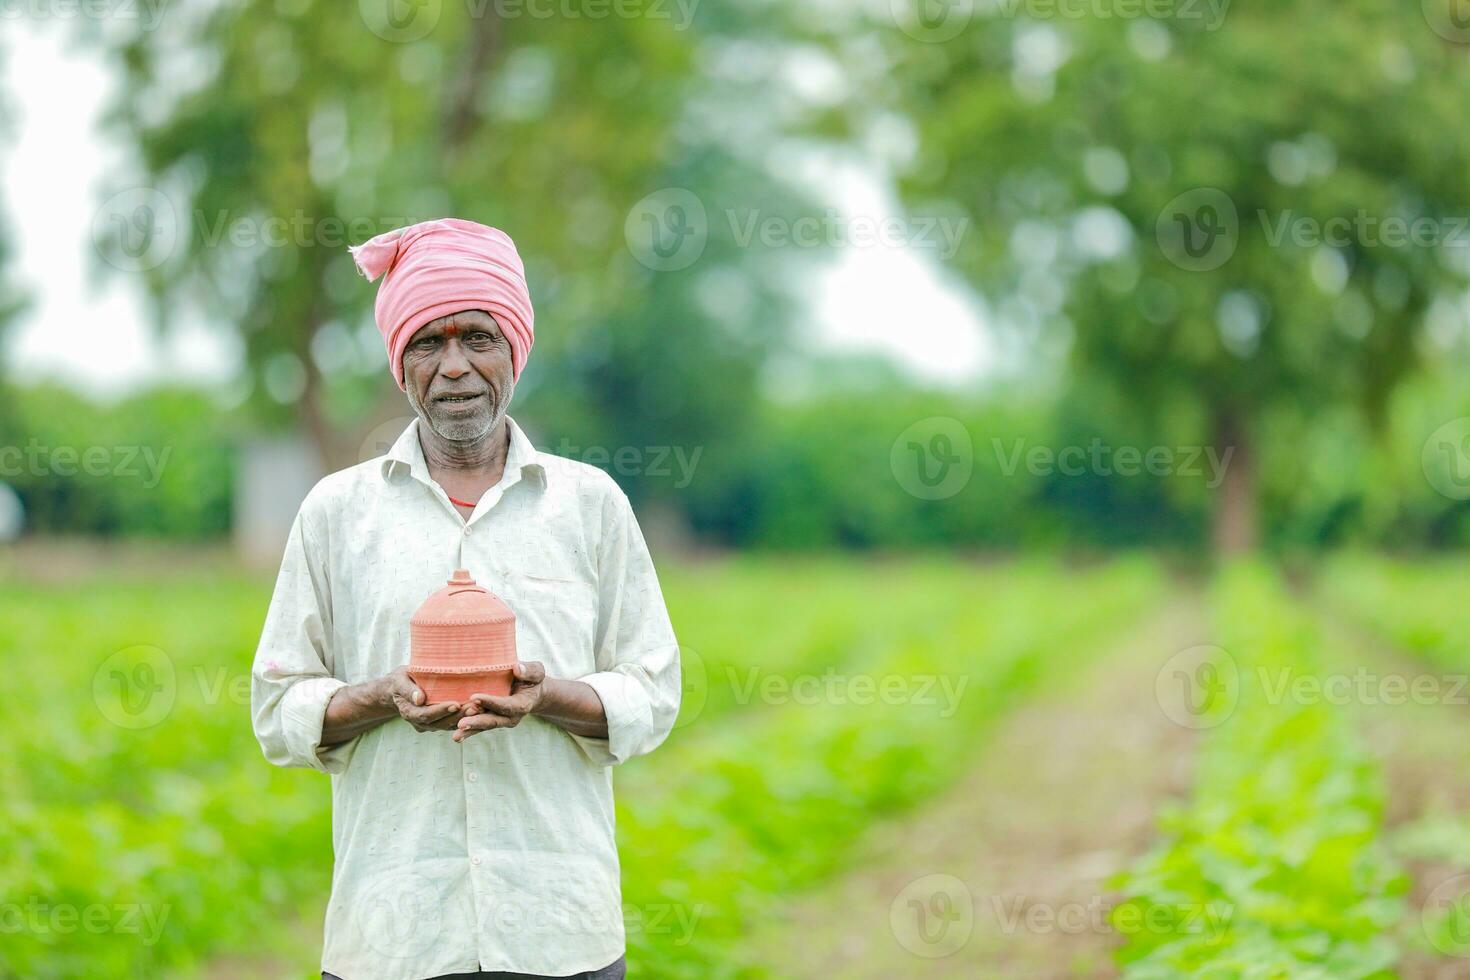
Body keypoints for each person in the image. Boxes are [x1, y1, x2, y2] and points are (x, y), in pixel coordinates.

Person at [250, 218, 681, 980]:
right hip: (393, 940)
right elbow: (277, 708)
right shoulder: (337, 513)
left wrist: (550, 697)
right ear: (400, 364)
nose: (454, 367)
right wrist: (378, 697)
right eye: (428, 342)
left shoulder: (589, 506)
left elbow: (653, 690)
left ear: (515, 347)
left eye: (478, 336)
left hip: (558, 934)